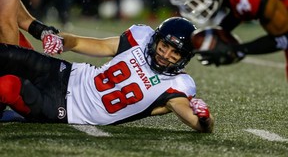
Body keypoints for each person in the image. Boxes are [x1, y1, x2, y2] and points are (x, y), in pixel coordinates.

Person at [0, 17, 214, 133]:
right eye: (164, 46)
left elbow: (196, 122)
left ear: (184, 58)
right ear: (156, 40)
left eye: (175, 53)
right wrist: (61, 41)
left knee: (7, 86)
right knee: (7, 54)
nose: (166, 55)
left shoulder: (177, 85)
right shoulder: (140, 38)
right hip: (65, 73)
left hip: (62, 108)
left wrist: (205, 118)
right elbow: (84, 43)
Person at [0, 0, 72, 119]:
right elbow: (5, 21)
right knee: (23, 77)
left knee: (28, 60)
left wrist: (40, 30)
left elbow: (8, 1)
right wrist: (15, 68)